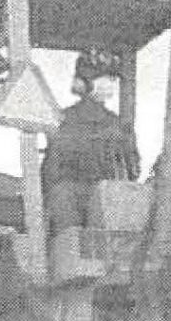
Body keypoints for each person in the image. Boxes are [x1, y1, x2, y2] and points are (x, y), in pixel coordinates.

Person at [41, 48, 140, 231]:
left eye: (112, 79)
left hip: (108, 203)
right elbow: (51, 173)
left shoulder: (118, 125)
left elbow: (133, 170)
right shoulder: (62, 120)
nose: (109, 85)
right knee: (63, 198)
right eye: (103, 79)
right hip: (69, 205)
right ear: (83, 83)